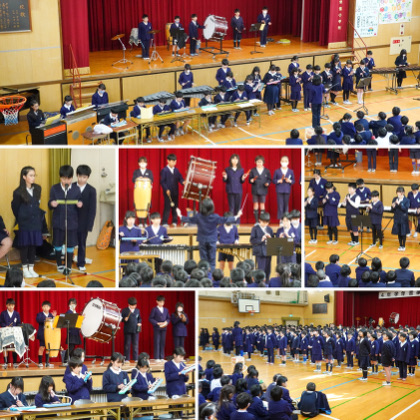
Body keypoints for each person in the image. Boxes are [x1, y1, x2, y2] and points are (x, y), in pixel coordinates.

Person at [177, 198, 242, 271]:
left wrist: (179, 215)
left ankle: (204, 275)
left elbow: (189, 219)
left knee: (203, 261)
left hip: (202, 240)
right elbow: (225, 219)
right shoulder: (215, 217)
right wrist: (237, 216)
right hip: (212, 240)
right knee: (212, 261)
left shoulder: (199, 216)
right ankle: (211, 276)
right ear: (212, 207)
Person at [12, 166, 47, 279]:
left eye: (34, 175)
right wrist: (22, 217)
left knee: (33, 246)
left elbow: (37, 204)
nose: (33, 177)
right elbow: (15, 208)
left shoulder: (38, 188)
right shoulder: (18, 192)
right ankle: (25, 269)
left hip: (35, 222)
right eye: (31, 175)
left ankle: (31, 268)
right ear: (24, 177)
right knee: (25, 246)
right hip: (24, 223)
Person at [49, 165, 82, 275]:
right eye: (63, 178)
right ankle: (59, 264)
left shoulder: (76, 189)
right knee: (57, 244)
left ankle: (68, 266)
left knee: (70, 245)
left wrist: (80, 204)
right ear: (60, 178)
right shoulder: (54, 188)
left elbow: (80, 202)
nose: (66, 181)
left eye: (68, 179)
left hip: (72, 223)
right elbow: (50, 203)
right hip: (58, 222)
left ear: (72, 178)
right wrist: (52, 204)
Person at [73, 165, 96, 272]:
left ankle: (81, 262)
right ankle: (68, 261)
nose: (82, 179)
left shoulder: (91, 190)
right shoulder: (71, 186)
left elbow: (92, 209)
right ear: (77, 175)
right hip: (71, 220)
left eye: (84, 177)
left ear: (88, 177)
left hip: (83, 222)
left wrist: (89, 225)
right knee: (69, 243)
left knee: (82, 244)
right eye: (80, 176)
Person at [160, 154, 184, 227]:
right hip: (168, 192)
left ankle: (174, 221)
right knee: (167, 207)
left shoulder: (176, 170)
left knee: (175, 207)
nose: (174, 163)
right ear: (168, 161)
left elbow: (180, 178)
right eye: (172, 161)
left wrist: (183, 182)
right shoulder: (164, 170)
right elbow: (162, 182)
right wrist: (166, 189)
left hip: (175, 192)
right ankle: (164, 222)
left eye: (175, 161)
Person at [250, 212, 273, 280]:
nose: (265, 224)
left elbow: (273, 241)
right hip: (259, 252)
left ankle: (267, 282)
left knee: (268, 269)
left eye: (267, 222)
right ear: (260, 220)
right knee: (261, 269)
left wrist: (270, 238)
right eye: (263, 222)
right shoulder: (255, 229)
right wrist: (261, 239)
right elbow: (252, 240)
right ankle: (260, 282)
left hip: (268, 251)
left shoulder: (269, 229)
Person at [249, 155, 271, 223]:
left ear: (263, 162)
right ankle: (256, 221)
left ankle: (262, 220)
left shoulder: (267, 171)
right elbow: (250, 180)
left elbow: (269, 179)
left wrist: (267, 183)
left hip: (263, 189)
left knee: (262, 204)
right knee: (255, 204)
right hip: (255, 189)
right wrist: (251, 180)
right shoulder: (252, 170)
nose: (259, 163)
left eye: (260, 162)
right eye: (258, 162)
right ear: (255, 162)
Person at [272, 156, 295, 221]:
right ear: (280, 162)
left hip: (287, 190)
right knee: (280, 205)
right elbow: (273, 180)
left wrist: (289, 181)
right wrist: (278, 181)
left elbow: (293, 181)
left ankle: (286, 219)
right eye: (283, 161)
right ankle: (281, 219)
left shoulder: (290, 171)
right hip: (279, 190)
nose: (284, 162)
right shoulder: (277, 171)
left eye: (285, 161)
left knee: (286, 205)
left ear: (288, 162)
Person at [0, 299, 21, 367]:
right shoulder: (3, 313)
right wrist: (5, 326)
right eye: (9, 305)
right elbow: (1, 322)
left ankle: (14, 362)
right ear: (6, 305)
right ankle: (5, 362)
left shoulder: (16, 313)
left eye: (12, 305)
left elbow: (18, 323)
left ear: (14, 306)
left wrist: (18, 326)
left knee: (14, 347)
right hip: (5, 332)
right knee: (5, 347)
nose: (11, 307)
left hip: (14, 332)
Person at [149, 295, 170, 360]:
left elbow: (168, 318)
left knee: (162, 342)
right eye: (160, 302)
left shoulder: (166, 310)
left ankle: (162, 357)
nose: (162, 303)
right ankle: (157, 357)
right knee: (157, 342)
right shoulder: (154, 309)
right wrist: (157, 323)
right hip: (157, 328)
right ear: (157, 302)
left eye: (163, 302)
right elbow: (150, 318)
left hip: (164, 328)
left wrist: (166, 322)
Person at [121, 297, 142, 362]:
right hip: (127, 330)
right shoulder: (124, 310)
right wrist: (124, 319)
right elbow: (120, 319)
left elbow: (139, 318)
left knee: (135, 344)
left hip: (135, 330)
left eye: (135, 305)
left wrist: (139, 323)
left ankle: (135, 358)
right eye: (132, 305)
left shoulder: (137, 311)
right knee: (127, 344)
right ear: (129, 305)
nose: (133, 307)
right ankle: (126, 358)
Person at [36, 301, 56, 367]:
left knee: (48, 348)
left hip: (49, 334)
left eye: (47, 306)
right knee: (42, 347)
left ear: (49, 308)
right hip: (42, 333)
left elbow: (54, 323)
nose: (45, 308)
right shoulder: (40, 314)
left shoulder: (51, 315)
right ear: (42, 307)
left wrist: (54, 317)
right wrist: (46, 318)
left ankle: (47, 362)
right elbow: (38, 320)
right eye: (44, 306)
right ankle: (40, 362)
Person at [391, 186, 410, 251]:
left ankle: (403, 245)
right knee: (399, 232)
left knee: (403, 232)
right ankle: (400, 245)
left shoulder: (406, 200)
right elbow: (392, 210)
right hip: (397, 218)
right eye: (398, 192)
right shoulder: (395, 199)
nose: (399, 194)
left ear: (403, 193)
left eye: (400, 192)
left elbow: (405, 209)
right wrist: (393, 206)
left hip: (403, 218)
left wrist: (399, 204)